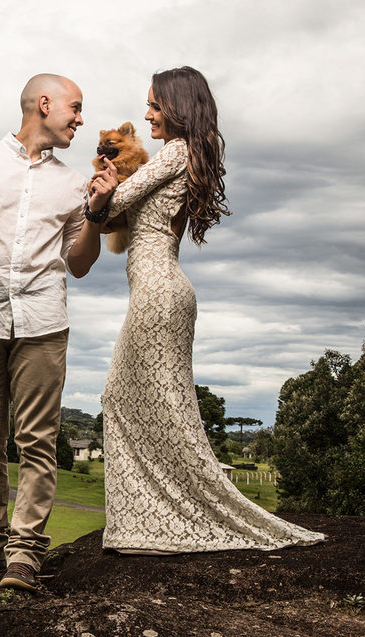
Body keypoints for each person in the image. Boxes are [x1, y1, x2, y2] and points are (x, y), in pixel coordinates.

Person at [97, 66, 324, 553]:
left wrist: (101, 194)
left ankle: (156, 523)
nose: (147, 113)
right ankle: (150, 519)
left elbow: (116, 203)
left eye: (155, 105)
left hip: (159, 291)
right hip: (163, 290)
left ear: (178, 107)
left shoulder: (176, 151)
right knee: (135, 400)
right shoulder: (186, 153)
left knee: (133, 401)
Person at [0, 73, 117, 591]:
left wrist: (97, 211)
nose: (81, 120)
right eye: (75, 109)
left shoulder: (76, 183)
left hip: (44, 324)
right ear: (45, 103)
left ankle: (25, 552)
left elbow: (79, 264)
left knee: (37, 440)